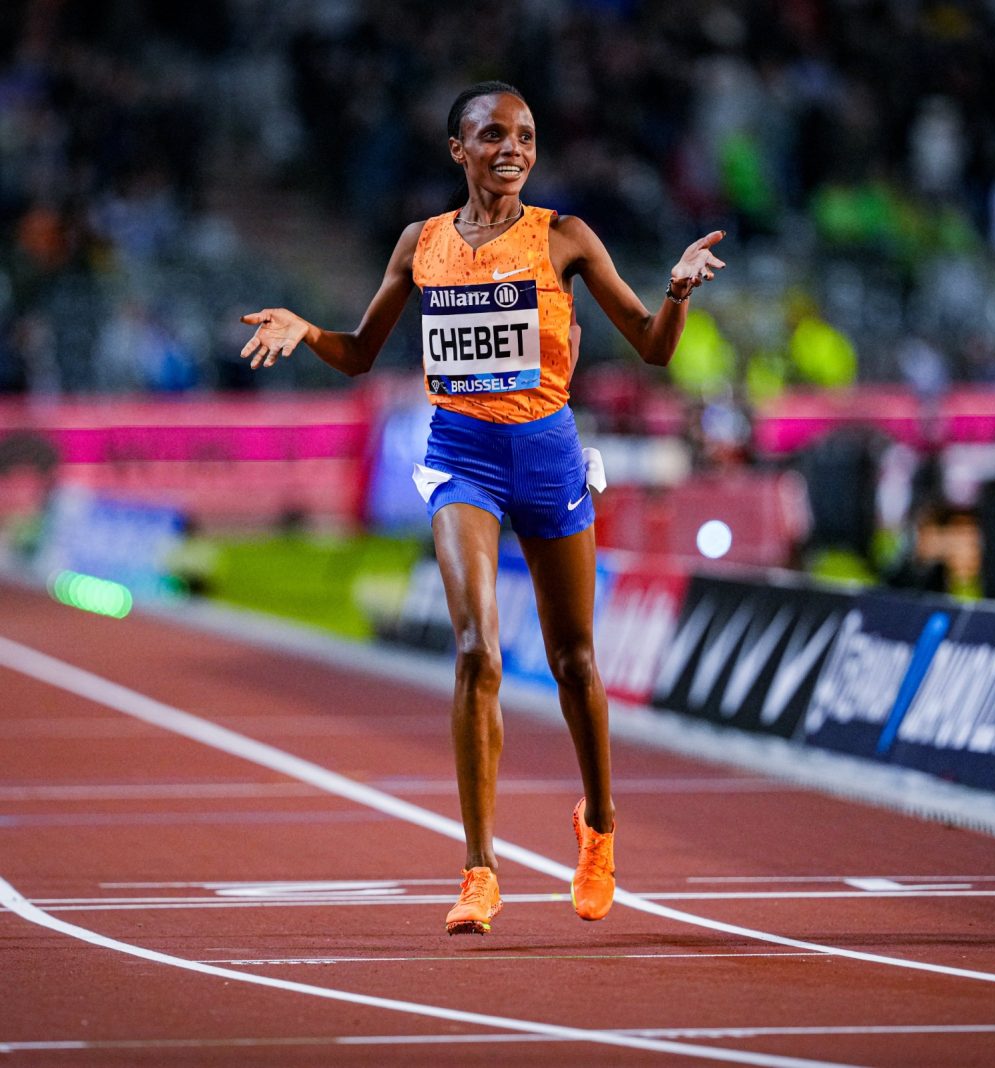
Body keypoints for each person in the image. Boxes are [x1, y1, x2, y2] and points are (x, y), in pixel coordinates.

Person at [240, 80, 725, 935]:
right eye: (492, 134)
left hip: (548, 458)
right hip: (461, 459)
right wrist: (305, 329)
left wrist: (679, 289)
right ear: (457, 149)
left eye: (527, 135)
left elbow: (651, 346)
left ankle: (601, 828)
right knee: (477, 653)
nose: (513, 148)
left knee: (575, 660)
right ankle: (479, 870)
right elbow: (360, 354)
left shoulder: (564, 237)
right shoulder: (420, 245)